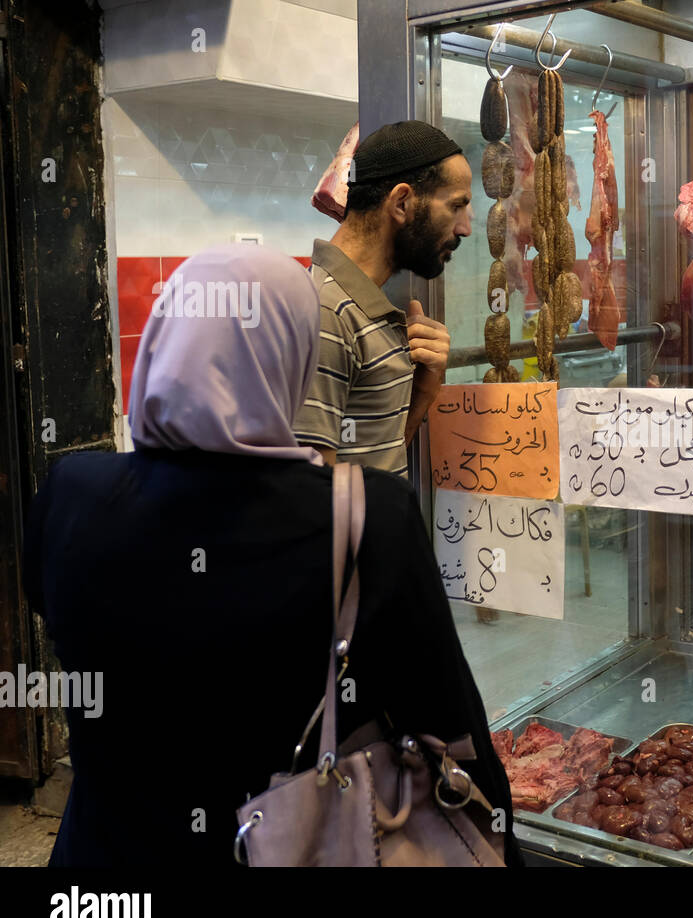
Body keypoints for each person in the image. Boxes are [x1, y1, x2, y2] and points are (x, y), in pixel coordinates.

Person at [23, 244, 521, 866]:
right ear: (293, 358)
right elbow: (450, 727)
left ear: (163, 340)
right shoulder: (368, 516)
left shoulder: (71, 493)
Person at [293, 120, 469, 478]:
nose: (464, 227)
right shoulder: (324, 313)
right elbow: (310, 494)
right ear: (402, 202)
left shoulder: (359, 306)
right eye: (456, 206)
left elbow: (373, 469)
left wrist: (423, 392)